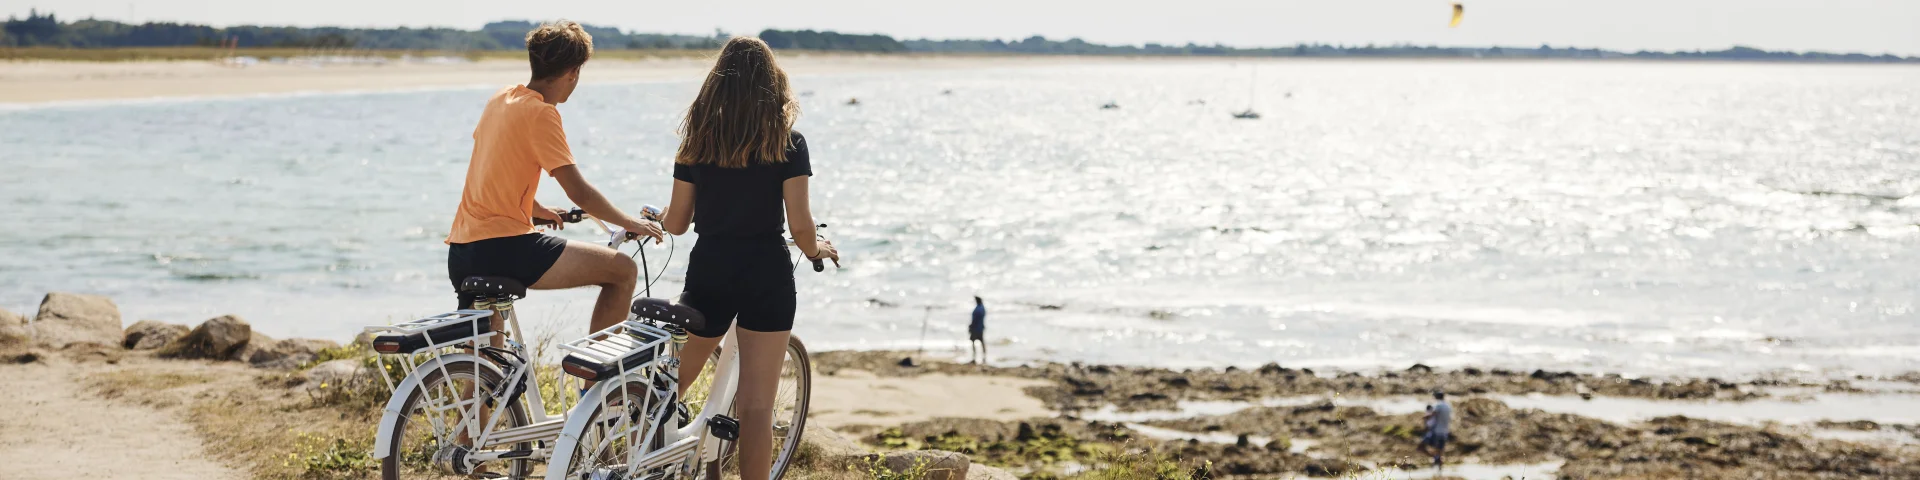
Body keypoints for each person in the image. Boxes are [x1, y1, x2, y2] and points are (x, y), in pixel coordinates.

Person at [659, 36, 837, 480]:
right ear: (772, 83)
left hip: (709, 271)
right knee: (756, 408)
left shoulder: (696, 140)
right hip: (765, 274)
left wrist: (655, 217)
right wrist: (818, 250)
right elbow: (800, 226)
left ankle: (643, 458)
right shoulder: (788, 142)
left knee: (666, 391)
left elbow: (677, 222)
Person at [444, 20, 663, 341]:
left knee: (486, 365)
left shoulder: (500, 99)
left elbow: (492, 172)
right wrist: (633, 222)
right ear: (573, 72)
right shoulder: (542, 113)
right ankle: (595, 385)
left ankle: (482, 388)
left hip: (463, 251)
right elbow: (580, 192)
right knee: (622, 271)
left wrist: (535, 209)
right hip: (504, 248)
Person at [1418, 390, 1453, 468]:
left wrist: (1424, 418)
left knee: (1422, 447)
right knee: (1440, 451)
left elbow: (1432, 415)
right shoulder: (1448, 406)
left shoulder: (1438, 405)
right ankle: (1438, 467)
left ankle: (1435, 459)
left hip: (1437, 431)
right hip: (1445, 431)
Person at [969, 296, 988, 364]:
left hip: (976, 329)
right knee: (982, 342)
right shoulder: (982, 308)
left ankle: (974, 357)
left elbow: (975, 320)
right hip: (980, 328)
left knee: (974, 342)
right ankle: (984, 357)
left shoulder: (978, 309)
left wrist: (971, 327)